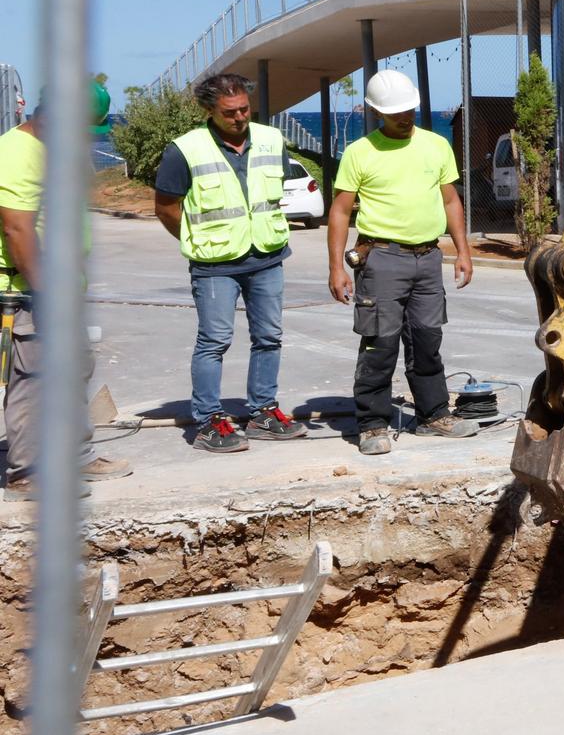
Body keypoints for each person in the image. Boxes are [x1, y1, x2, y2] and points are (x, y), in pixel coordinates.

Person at [153, 72, 307, 453]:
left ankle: (263, 413)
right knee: (214, 341)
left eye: (244, 109)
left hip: (267, 257)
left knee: (269, 337)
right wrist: (197, 240)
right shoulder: (185, 150)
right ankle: (207, 422)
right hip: (215, 264)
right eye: (229, 112)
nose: (239, 117)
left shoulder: (272, 140)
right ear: (209, 111)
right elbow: (166, 207)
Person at [327, 70, 476, 456]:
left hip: (427, 257)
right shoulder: (361, 152)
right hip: (382, 259)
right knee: (380, 342)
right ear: (376, 111)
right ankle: (372, 423)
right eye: (395, 112)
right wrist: (335, 268)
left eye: (409, 109)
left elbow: (450, 201)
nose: (404, 116)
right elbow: (341, 212)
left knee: (427, 339)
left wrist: (462, 250)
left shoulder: (435, 145)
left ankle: (433, 415)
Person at [1, 95, 131, 500]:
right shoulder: (17, 153)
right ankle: (28, 471)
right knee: (32, 379)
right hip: (28, 292)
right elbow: (18, 231)